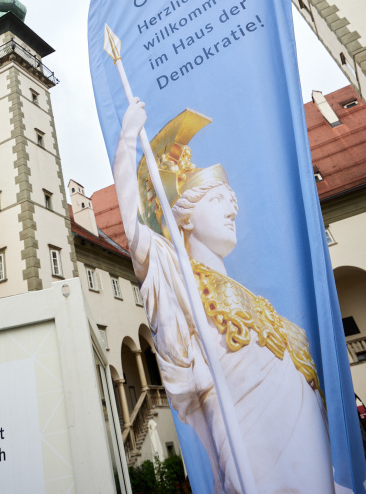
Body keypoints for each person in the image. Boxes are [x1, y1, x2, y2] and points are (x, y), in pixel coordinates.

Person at [114, 97, 343, 494]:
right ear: (184, 215)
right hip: (256, 467)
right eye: (219, 200)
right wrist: (127, 137)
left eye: (232, 201)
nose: (232, 210)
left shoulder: (251, 299)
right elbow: (133, 229)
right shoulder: (176, 277)